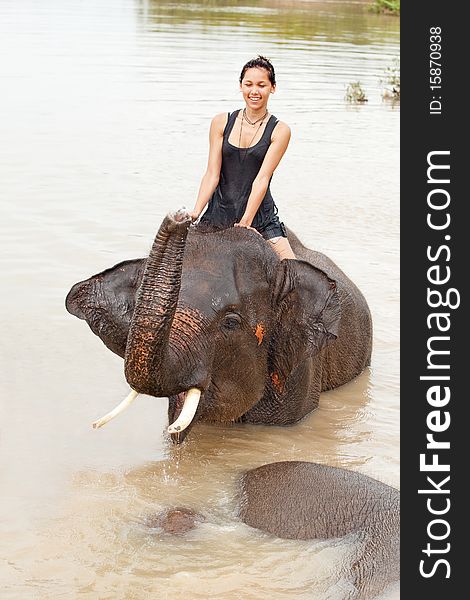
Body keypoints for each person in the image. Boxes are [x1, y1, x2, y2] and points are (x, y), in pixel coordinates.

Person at [190, 55, 296, 260]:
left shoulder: (280, 130)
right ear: (241, 86)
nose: (254, 91)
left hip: (260, 218)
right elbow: (212, 174)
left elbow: (262, 179)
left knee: (294, 274)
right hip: (218, 214)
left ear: (272, 88)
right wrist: (196, 211)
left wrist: (246, 223)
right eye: (248, 84)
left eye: (261, 85)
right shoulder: (221, 122)